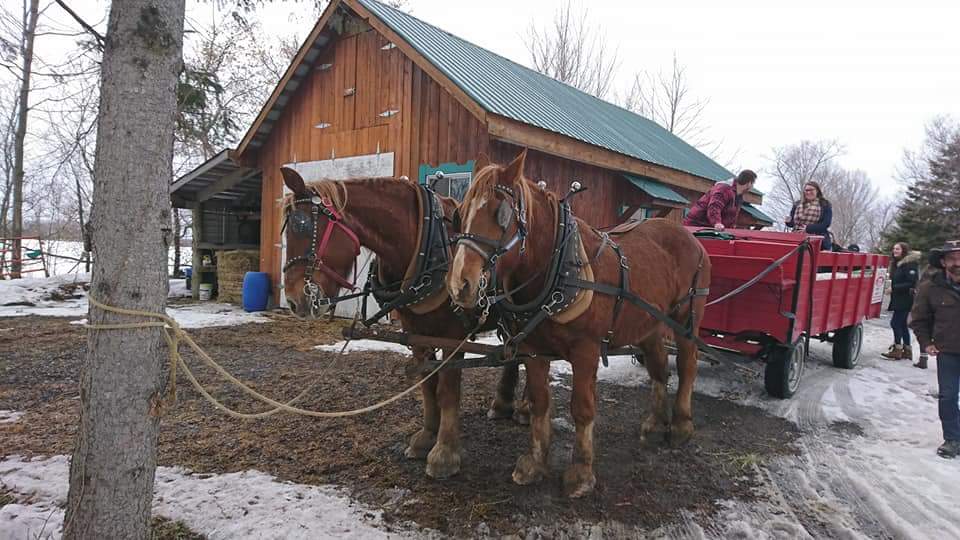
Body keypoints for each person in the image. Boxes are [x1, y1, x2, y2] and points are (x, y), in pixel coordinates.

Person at [910, 239, 960, 459]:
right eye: (952, 258)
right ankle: (952, 439)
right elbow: (919, 318)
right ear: (943, 262)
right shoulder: (930, 288)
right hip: (947, 351)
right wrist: (926, 342)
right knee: (948, 396)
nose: (957, 262)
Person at [881, 243, 920, 360]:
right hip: (898, 298)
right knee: (902, 325)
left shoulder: (909, 264)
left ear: (904, 250)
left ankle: (897, 349)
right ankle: (907, 351)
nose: (895, 251)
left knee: (895, 323)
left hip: (905, 298)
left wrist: (894, 288)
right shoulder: (898, 264)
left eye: (897, 249)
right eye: (894, 249)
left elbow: (912, 282)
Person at [684, 169, 757, 231]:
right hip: (697, 226)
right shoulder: (724, 189)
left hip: (709, 228)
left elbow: (730, 218)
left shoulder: (738, 196)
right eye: (752, 183)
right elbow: (714, 206)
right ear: (749, 183)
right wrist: (717, 223)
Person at [913, 251, 944, 369]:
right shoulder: (934, 271)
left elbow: (922, 286)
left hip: (931, 306)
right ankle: (924, 357)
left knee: (926, 331)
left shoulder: (932, 272)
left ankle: (924, 357)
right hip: (931, 306)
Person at [785, 181, 833, 250]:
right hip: (796, 239)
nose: (808, 192)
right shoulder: (797, 204)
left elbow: (826, 224)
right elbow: (792, 224)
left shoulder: (825, 204)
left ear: (817, 191)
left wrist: (808, 228)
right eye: (806, 190)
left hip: (818, 242)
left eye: (811, 190)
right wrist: (788, 221)